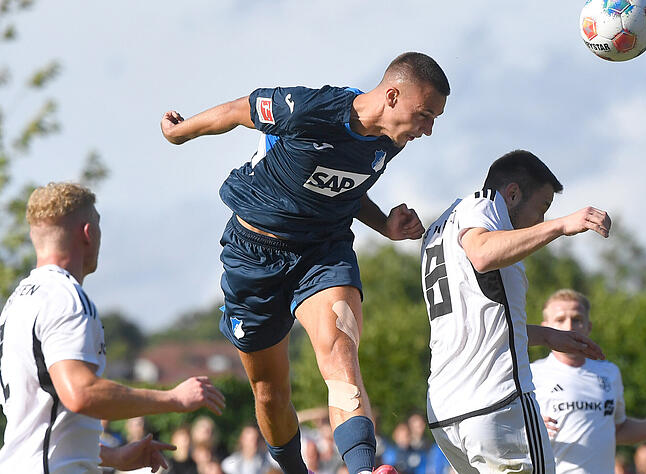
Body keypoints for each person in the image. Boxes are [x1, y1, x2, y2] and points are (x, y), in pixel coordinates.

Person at [160, 52, 449, 474]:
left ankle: (363, 469)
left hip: (322, 252)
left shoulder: (391, 140)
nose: (428, 129)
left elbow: (343, 190)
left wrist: (385, 225)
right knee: (269, 393)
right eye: (425, 115)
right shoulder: (311, 110)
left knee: (341, 354)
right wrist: (179, 133)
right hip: (253, 254)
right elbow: (238, 110)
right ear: (392, 96)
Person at [0, 182, 226, 473]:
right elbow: (81, 393)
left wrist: (114, 457)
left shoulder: (17, 302)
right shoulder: (65, 297)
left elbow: (43, 419)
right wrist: (173, 398)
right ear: (87, 233)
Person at [419, 150, 611, 473]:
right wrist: (562, 225)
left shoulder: (440, 227)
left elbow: (480, 325)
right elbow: (482, 253)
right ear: (512, 194)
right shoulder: (483, 204)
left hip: (447, 412)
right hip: (496, 401)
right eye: (543, 207)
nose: (542, 220)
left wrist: (548, 336)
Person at [531, 289, 646, 474]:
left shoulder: (609, 372)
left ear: (588, 326)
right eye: (560, 320)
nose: (569, 326)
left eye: (577, 319)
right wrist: (523, 430)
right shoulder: (530, 374)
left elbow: (618, 429)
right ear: (545, 328)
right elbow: (505, 432)